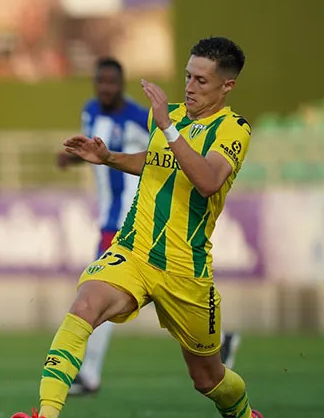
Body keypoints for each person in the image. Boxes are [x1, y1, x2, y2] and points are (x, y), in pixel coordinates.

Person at [9, 37, 264, 418]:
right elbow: (156, 162)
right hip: (133, 250)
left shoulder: (233, 129)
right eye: (187, 75)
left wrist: (168, 126)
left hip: (185, 270)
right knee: (84, 305)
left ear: (226, 87)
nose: (188, 87)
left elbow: (205, 180)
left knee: (208, 379)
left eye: (200, 80)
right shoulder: (170, 119)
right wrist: (107, 158)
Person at [58, 57, 241, 396]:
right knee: (120, 292)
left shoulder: (141, 117)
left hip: (134, 215)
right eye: (101, 83)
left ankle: (88, 373)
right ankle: (219, 340)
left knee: (98, 294)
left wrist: (168, 131)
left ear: (122, 83)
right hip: (109, 215)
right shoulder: (90, 110)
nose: (106, 89)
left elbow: (163, 154)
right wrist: (75, 157)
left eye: (112, 83)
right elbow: (107, 150)